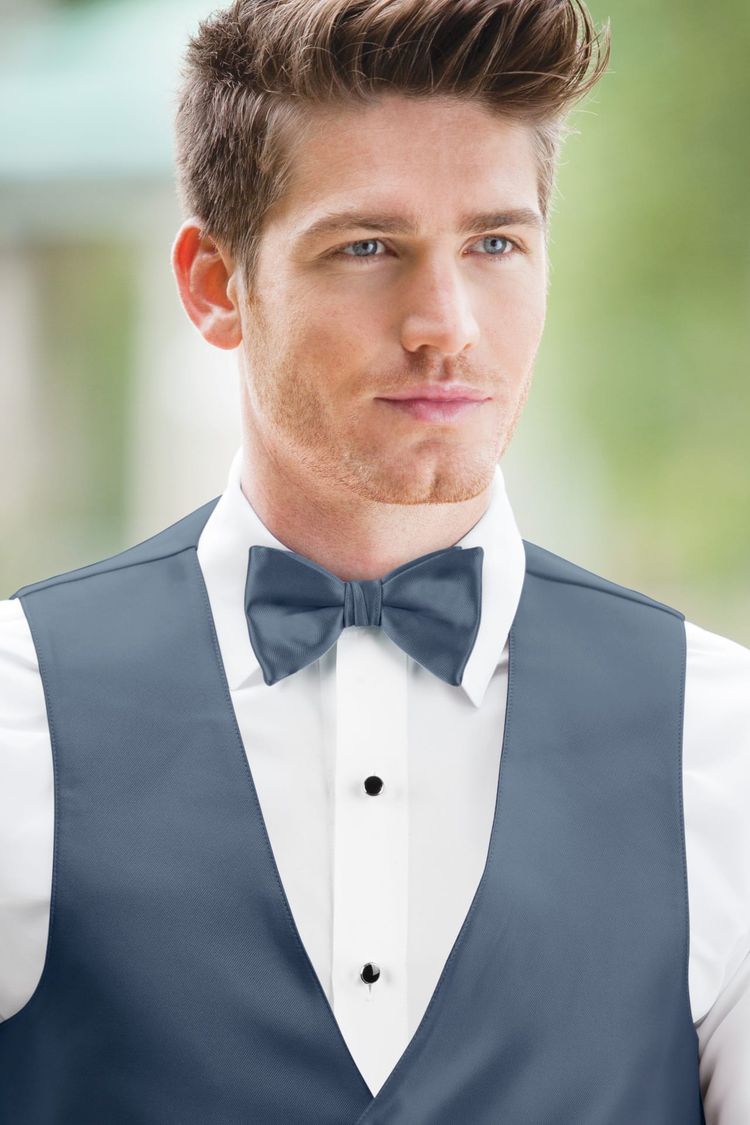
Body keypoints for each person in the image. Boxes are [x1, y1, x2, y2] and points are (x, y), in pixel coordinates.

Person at [0, 0, 747, 1120]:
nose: (446, 323)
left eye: (494, 244)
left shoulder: (723, 739)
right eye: (367, 247)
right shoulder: (16, 717)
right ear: (215, 284)